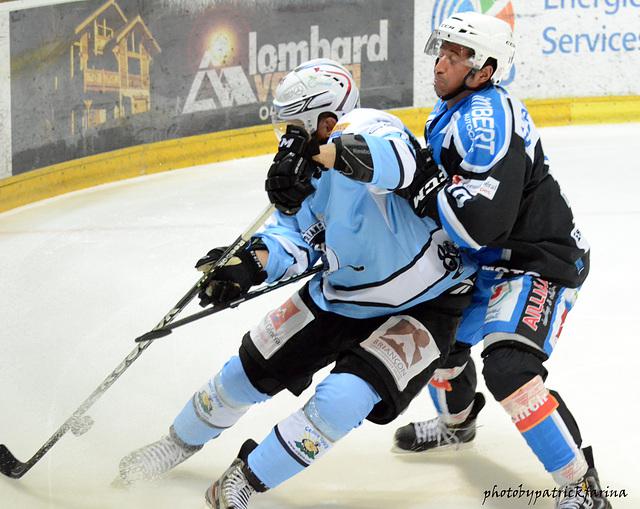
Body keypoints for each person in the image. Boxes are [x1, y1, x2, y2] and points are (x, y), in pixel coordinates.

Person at [117, 59, 476, 509]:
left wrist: (322, 154)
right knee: (244, 373)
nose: (284, 138)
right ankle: (175, 443)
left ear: (325, 121)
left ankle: (247, 479)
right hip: (341, 294)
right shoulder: (306, 172)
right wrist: (248, 266)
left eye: (292, 127)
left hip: (427, 299)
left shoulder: (372, 127)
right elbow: (295, 238)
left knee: (342, 400)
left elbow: (399, 163)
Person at [390, 12, 611, 509]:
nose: (440, 64)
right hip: (489, 256)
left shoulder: (486, 121)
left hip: (538, 261)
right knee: (437, 333)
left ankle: (581, 489)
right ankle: (457, 425)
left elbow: (480, 223)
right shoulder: (455, 106)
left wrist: (422, 189)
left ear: (484, 70)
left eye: (456, 56)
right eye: (442, 51)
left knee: (510, 370)